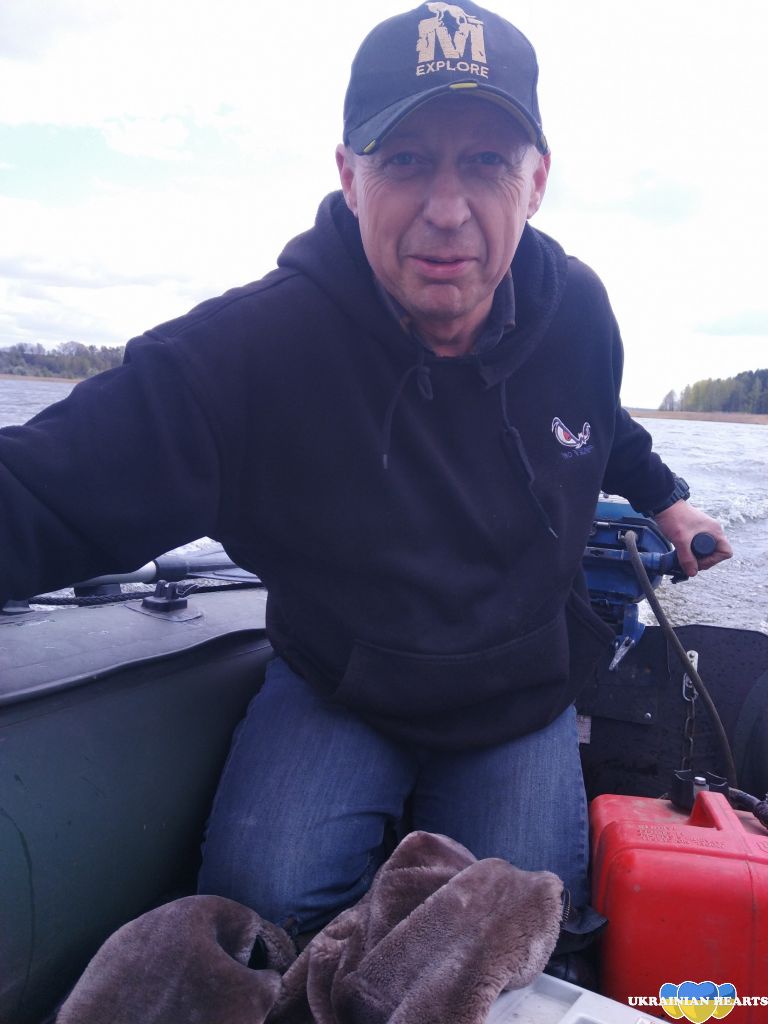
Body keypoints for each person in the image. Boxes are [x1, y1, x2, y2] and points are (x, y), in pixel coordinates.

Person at [0, 0, 730, 942]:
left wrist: (667, 501)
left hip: (519, 691)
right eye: (406, 160)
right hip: (341, 680)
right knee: (256, 911)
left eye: (486, 162)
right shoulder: (258, 349)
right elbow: (46, 489)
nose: (446, 209)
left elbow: (596, 419)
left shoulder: (578, 310)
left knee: (513, 934)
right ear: (349, 175)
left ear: (537, 181)